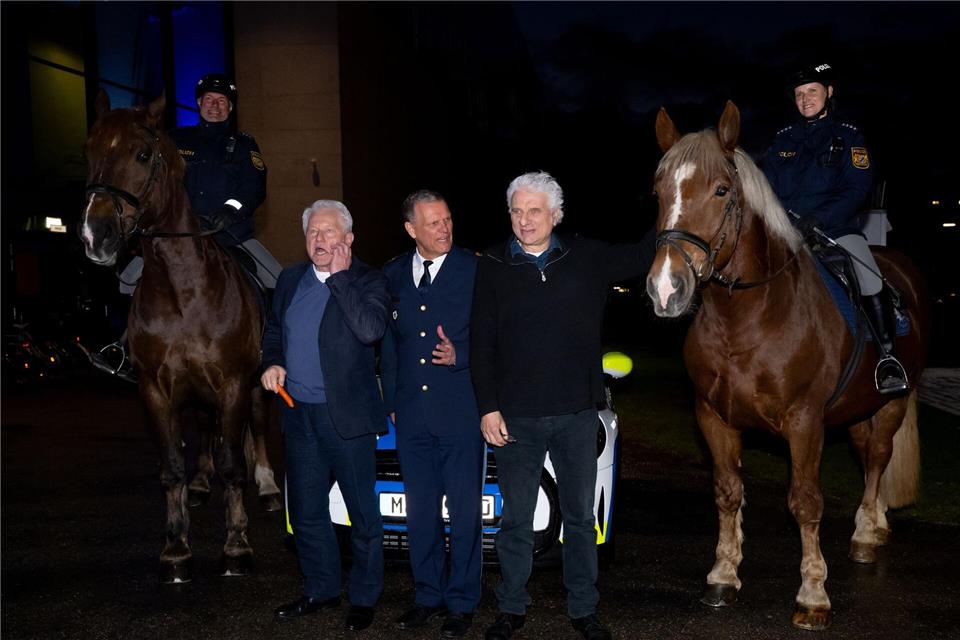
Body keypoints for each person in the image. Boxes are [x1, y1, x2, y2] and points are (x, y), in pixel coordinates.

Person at [471, 172, 655, 640]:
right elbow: (481, 344)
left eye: (535, 211)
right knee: (514, 521)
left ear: (556, 214)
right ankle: (511, 608)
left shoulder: (587, 256)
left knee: (579, 519)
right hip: (515, 419)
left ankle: (584, 610)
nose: (525, 220)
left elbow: (640, 255)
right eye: (517, 211)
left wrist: (675, 205)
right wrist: (488, 408)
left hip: (576, 414)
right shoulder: (492, 263)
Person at [91, 72, 279, 381]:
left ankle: (268, 350)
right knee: (130, 280)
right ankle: (126, 347)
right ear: (198, 104)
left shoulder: (244, 145)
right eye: (209, 100)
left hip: (230, 235)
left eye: (221, 101)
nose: (215, 106)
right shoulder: (176, 140)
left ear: (229, 108)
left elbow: (254, 186)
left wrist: (229, 213)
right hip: (179, 236)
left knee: (277, 280)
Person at [261, 199, 388, 632]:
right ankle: (321, 588)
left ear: (348, 239)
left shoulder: (369, 279)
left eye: (329, 232)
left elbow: (370, 330)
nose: (320, 239)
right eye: (313, 232)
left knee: (362, 516)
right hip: (299, 417)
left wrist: (339, 279)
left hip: (346, 420)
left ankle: (365, 597)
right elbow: (274, 330)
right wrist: (271, 362)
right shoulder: (291, 278)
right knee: (308, 513)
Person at [761, 62, 908, 394]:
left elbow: (859, 188)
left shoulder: (849, 134)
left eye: (812, 91)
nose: (805, 99)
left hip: (835, 230)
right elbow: (764, 186)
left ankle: (888, 358)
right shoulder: (783, 140)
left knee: (869, 277)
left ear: (828, 92)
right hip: (787, 233)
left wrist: (819, 220)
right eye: (799, 94)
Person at [380, 190, 484, 639]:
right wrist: (390, 404)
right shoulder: (392, 275)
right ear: (411, 230)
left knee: (463, 514)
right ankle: (427, 597)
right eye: (433, 223)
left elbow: (499, 336)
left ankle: (461, 602)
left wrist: (461, 354)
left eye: (447, 220)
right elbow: (388, 345)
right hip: (411, 417)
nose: (444, 229)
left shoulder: (476, 270)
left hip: (461, 412)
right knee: (420, 513)